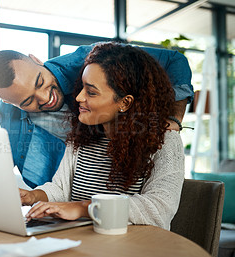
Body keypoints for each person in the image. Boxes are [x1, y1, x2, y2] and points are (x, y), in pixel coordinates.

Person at [19, 42, 185, 230]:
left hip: (134, 248)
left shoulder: (165, 140)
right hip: (84, 243)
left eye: (91, 92)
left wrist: (84, 207)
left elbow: (158, 208)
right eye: (81, 87)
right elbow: (61, 189)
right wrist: (32, 196)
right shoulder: (81, 136)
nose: (79, 97)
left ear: (125, 102)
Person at [0, 42, 193, 189]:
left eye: (40, 82)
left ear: (36, 60)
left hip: (119, 180)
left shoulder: (92, 61)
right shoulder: (10, 112)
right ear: (9, 103)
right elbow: (3, 164)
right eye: (27, 102)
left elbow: (175, 60)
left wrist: (174, 119)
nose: (44, 97)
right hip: (62, 194)